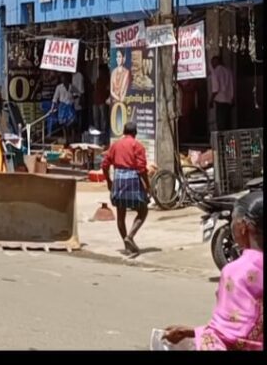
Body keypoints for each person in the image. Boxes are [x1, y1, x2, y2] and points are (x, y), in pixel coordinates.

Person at [163, 191, 262, 350]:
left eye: (233, 220)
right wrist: (191, 332)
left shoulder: (236, 272)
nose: (231, 226)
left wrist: (200, 336)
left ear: (243, 227)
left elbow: (230, 338)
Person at [100, 121, 151, 256]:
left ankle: (126, 245)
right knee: (143, 210)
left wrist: (109, 181)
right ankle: (130, 236)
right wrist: (147, 185)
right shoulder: (138, 146)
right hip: (133, 180)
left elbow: (105, 165)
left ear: (123, 132)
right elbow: (141, 169)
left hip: (118, 179)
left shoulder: (115, 145)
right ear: (135, 133)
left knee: (120, 214)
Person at [210, 55, 235, 131]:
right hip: (228, 100)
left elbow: (216, 89)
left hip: (220, 100)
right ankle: (229, 140)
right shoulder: (228, 71)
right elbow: (232, 86)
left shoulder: (216, 71)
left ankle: (222, 140)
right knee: (227, 122)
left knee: (221, 123)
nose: (212, 64)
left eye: (212, 62)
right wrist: (232, 98)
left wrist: (211, 100)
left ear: (216, 62)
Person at [93, 64, 111, 145]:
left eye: (101, 71)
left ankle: (103, 136)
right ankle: (98, 136)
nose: (100, 73)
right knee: (96, 120)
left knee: (103, 120)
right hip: (96, 102)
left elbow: (108, 90)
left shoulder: (108, 80)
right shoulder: (98, 79)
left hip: (103, 102)